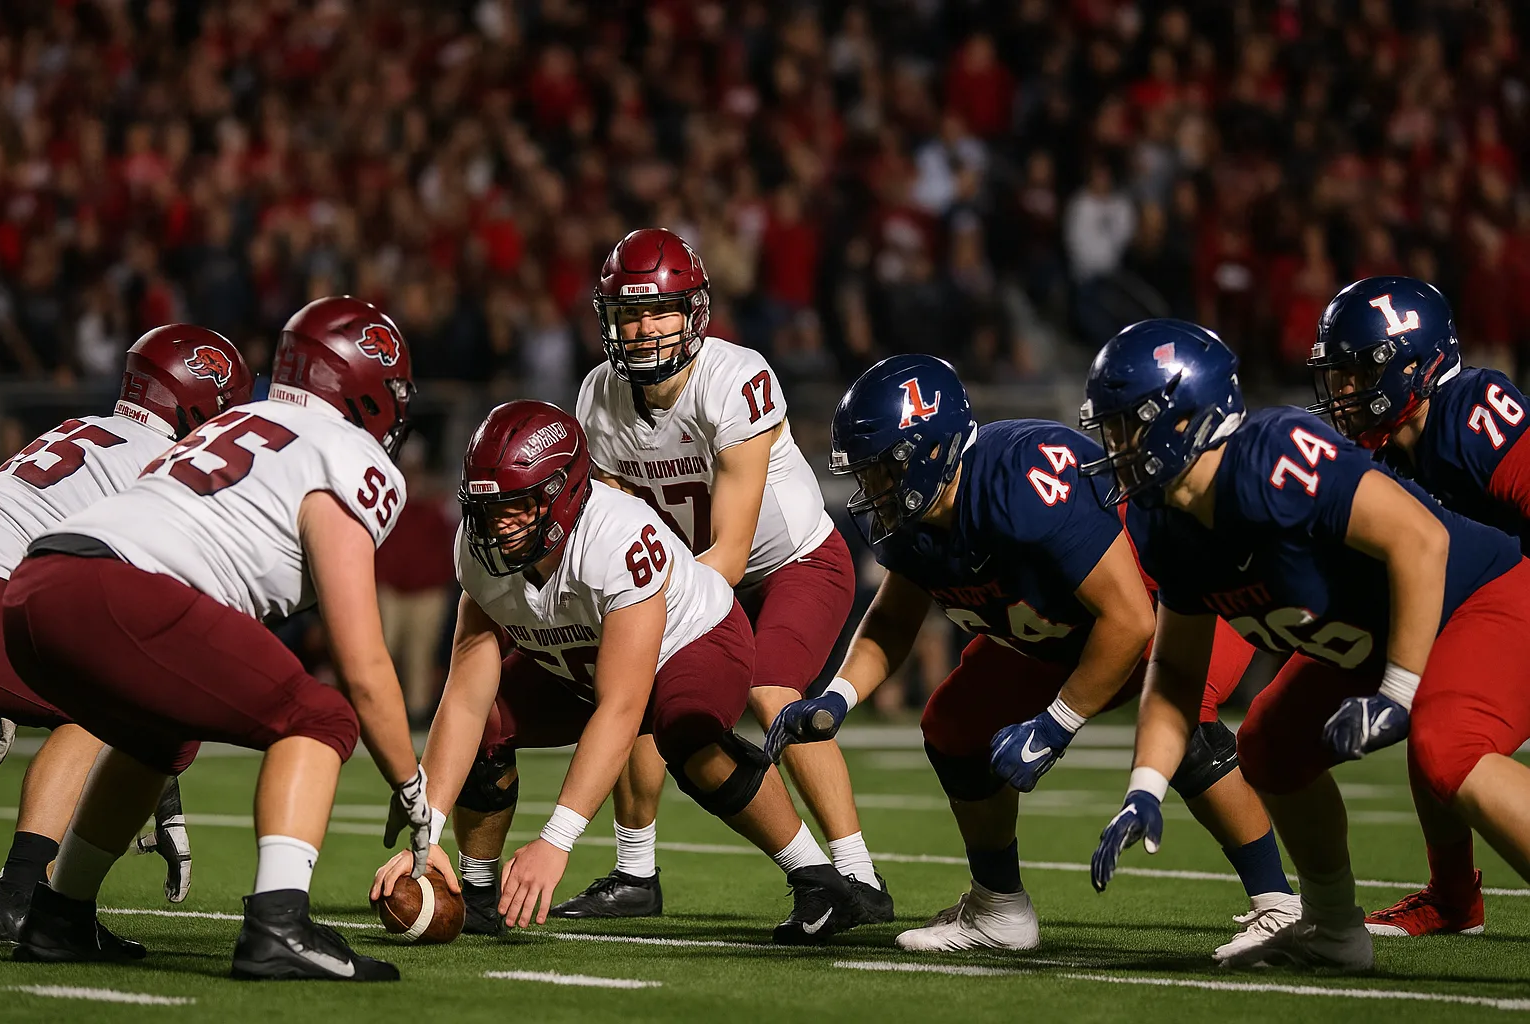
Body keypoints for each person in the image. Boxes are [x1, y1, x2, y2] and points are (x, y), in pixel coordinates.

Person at [766, 353, 1297, 957]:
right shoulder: (918, 517)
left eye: (883, 470)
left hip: (1165, 600)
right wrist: (838, 697)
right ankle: (999, 908)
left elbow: (1128, 619)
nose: (872, 490)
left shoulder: (1021, 479)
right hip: (1061, 630)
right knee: (953, 724)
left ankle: (1278, 905)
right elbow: (892, 618)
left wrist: (1056, 724)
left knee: (1179, 721)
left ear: (931, 451)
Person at [2, 296, 437, 981]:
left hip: (37, 584)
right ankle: (279, 924)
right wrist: (416, 795)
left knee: (162, 732)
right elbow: (360, 661)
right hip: (124, 591)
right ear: (372, 388)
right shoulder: (350, 452)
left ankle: (59, 916)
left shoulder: (235, 420)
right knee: (319, 716)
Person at [1080, 318, 1530, 970]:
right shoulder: (1162, 520)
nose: (1113, 445)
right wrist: (1144, 787)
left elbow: (1420, 541)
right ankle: (1333, 927)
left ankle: (1448, 896)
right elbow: (1176, 669)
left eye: (1126, 426)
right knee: (1269, 744)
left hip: (1482, 595)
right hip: (1375, 630)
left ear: (1184, 419)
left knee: (1447, 747)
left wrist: (1398, 694)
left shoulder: (1272, 457)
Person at [369, 400, 864, 945]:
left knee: (686, 730)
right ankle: (478, 892)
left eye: (519, 505)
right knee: (487, 718)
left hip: (694, 640)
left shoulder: (616, 538)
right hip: (583, 656)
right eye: (487, 509)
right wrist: (427, 827)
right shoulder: (477, 549)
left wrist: (556, 840)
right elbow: (465, 696)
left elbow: (623, 707)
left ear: (562, 495)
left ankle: (818, 877)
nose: (498, 525)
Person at [553, 226, 886, 922]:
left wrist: (656, 619)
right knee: (629, 677)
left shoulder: (735, 377)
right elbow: (615, 530)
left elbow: (731, 554)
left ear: (694, 313)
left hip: (792, 563)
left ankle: (858, 875)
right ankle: (634, 871)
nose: (644, 329)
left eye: (660, 311)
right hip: (690, 576)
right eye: (630, 313)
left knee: (771, 694)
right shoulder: (598, 395)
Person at [0, 325, 253, 940]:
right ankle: (24, 893)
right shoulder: (162, 467)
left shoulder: (77, 430)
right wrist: (153, 777)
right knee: (105, 707)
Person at [1308, 275, 1527, 937]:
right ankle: (1453, 896)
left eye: (1354, 375)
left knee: (1446, 729)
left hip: (1515, 601)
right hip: (1477, 606)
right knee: (1424, 691)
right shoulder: (1378, 452)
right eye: (1335, 376)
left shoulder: (1472, 410)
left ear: (1411, 364)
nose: (1341, 393)